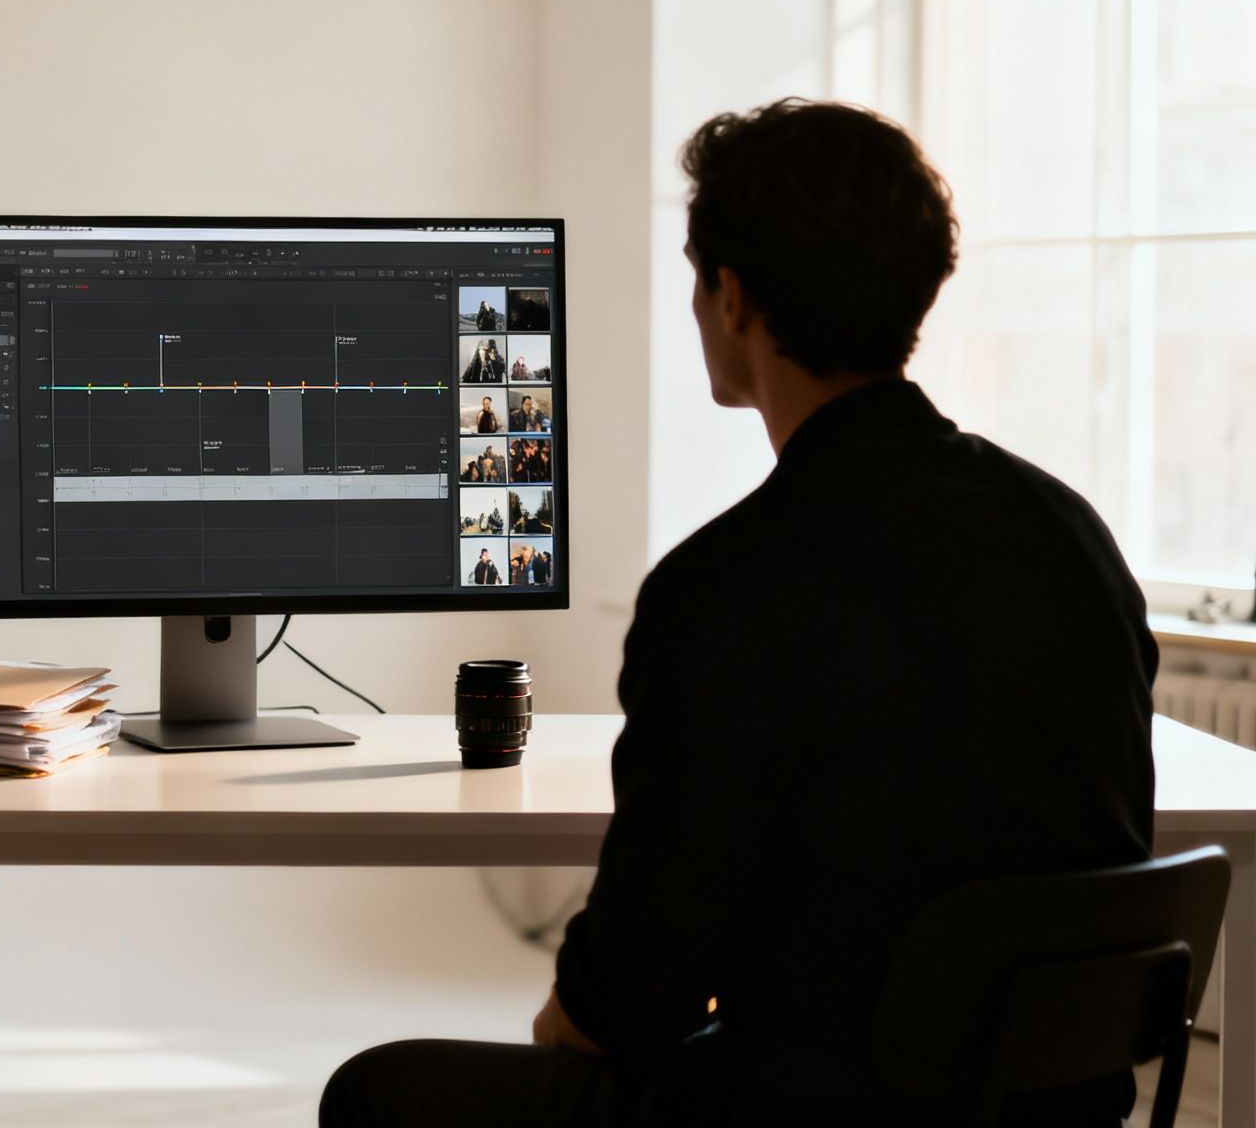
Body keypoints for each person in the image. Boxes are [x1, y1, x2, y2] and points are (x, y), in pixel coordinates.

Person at [322, 99, 1154, 1128]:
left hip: (807, 1115)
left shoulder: (726, 586)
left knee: (378, 1091)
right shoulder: (1071, 537)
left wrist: (567, 1023)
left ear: (730, 295)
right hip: (1056, 1111)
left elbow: (623, 1005)